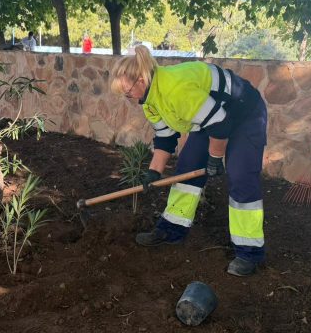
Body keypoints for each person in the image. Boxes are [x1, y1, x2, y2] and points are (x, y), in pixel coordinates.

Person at [110, 45, 268, 276]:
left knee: (240, 176)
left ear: (141, 79)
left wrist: (215, 158)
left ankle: (249, 253)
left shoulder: (176, 89)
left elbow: (221, 125)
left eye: (127, 92)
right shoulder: (150, 100)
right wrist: (154, 172)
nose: (128, 98)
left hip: (245, 113)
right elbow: (165, 138)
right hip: (213, 116)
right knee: (187, 168)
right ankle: (172, 229)